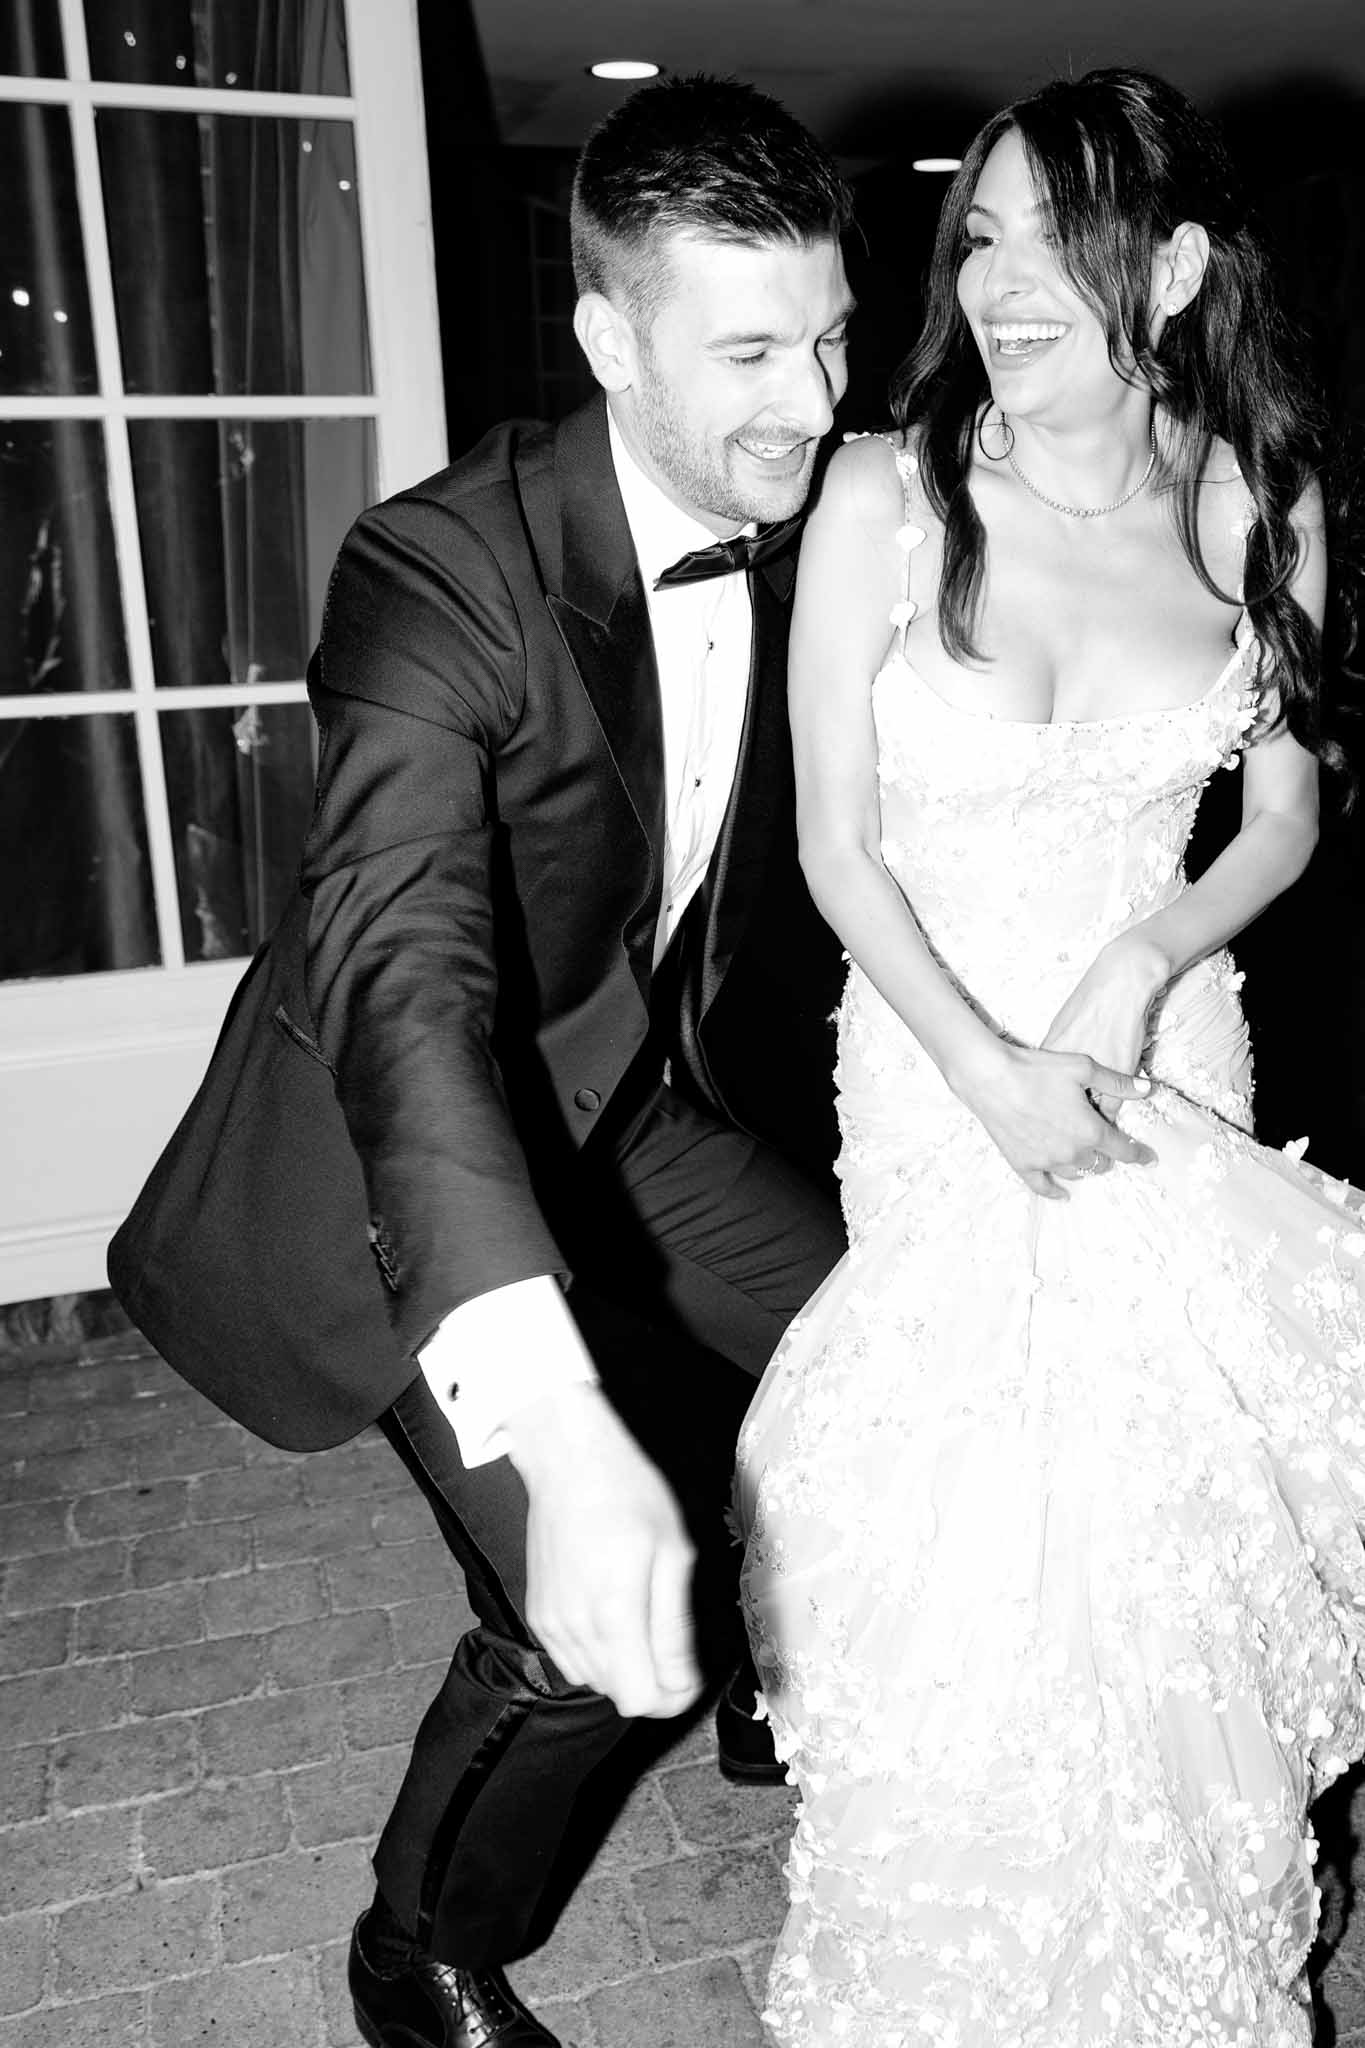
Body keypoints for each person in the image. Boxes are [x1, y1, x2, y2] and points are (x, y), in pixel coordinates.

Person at [108, 76, 855, 2048]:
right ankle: (415, 1944)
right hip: (401, 1160)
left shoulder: (806, 515)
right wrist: (557, 1415)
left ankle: (761, 1658)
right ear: (610, 339)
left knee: (881, 1346)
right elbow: (404, 983)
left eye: (833, 336)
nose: (811, 397)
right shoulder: (437, 569)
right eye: (750, 352)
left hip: (625, 1093)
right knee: (583, 1605)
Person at [737, 67, 1365, 2046]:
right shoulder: (880, 495)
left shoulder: (1261, 500)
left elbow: (1278, 817)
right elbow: (834, 848)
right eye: (979, 239)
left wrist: (1142, 954)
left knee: (1162, 1519)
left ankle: (1177, 1957)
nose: (997, 284)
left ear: (1171, 269)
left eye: (1051, 242)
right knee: (976, 1533)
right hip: (933, 1054)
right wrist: (990, 1070)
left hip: (1166, 1052)